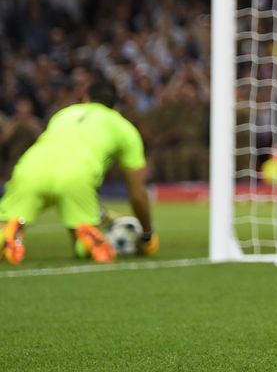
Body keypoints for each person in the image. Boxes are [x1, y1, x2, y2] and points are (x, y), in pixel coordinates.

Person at [0, 75, 159, 264]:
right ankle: (85, 239)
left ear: (86, 97)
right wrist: (147, 234)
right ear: (115, 105)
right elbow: (137, 194)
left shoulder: (65, 113)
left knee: (7, 221)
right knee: (81, 229)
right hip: (77, 176)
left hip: (31, 168)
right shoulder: (125, 128)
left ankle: (10, 232)